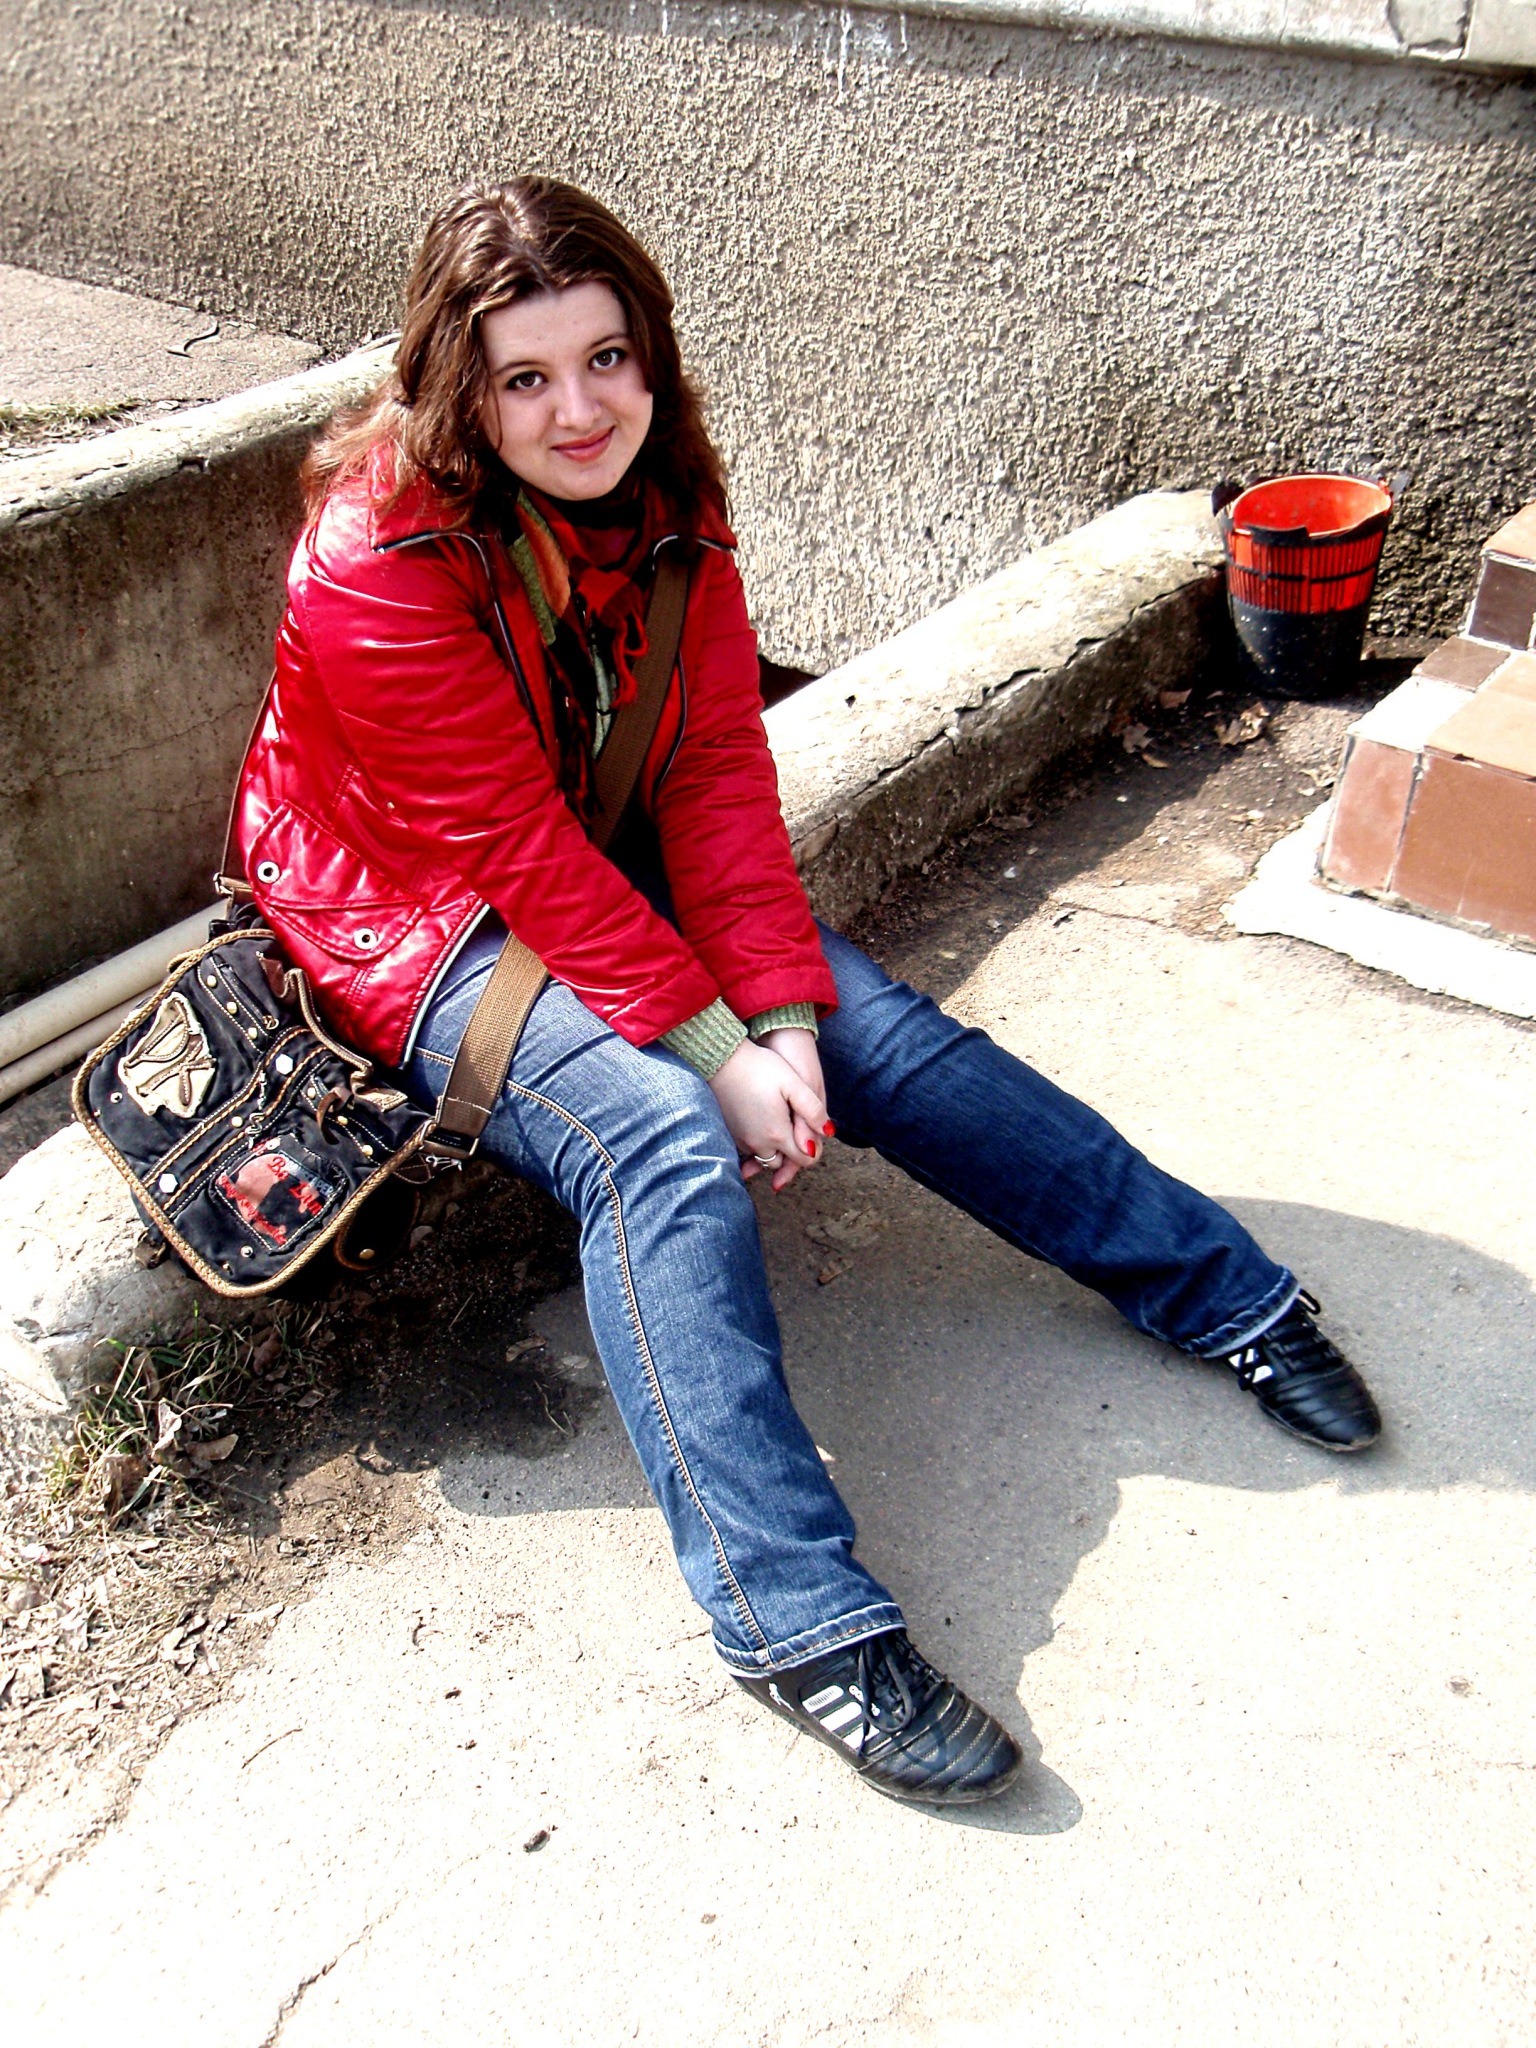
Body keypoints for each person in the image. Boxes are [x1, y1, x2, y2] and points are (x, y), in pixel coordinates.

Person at [234, 177, 1382, 1807]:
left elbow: (710, 773)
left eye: (608, 358)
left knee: (875, 1036)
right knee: (658, 1141)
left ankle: (1228, 1296)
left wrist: (777, 1018)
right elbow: (511, 850)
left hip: (595, 845)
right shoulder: (377, 553)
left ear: (651, 351)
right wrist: (713, 1050)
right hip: (414, 904)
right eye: (525, 378)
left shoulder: (669, 496)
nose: (580, 411)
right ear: (457, 389)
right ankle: (796, 1625)